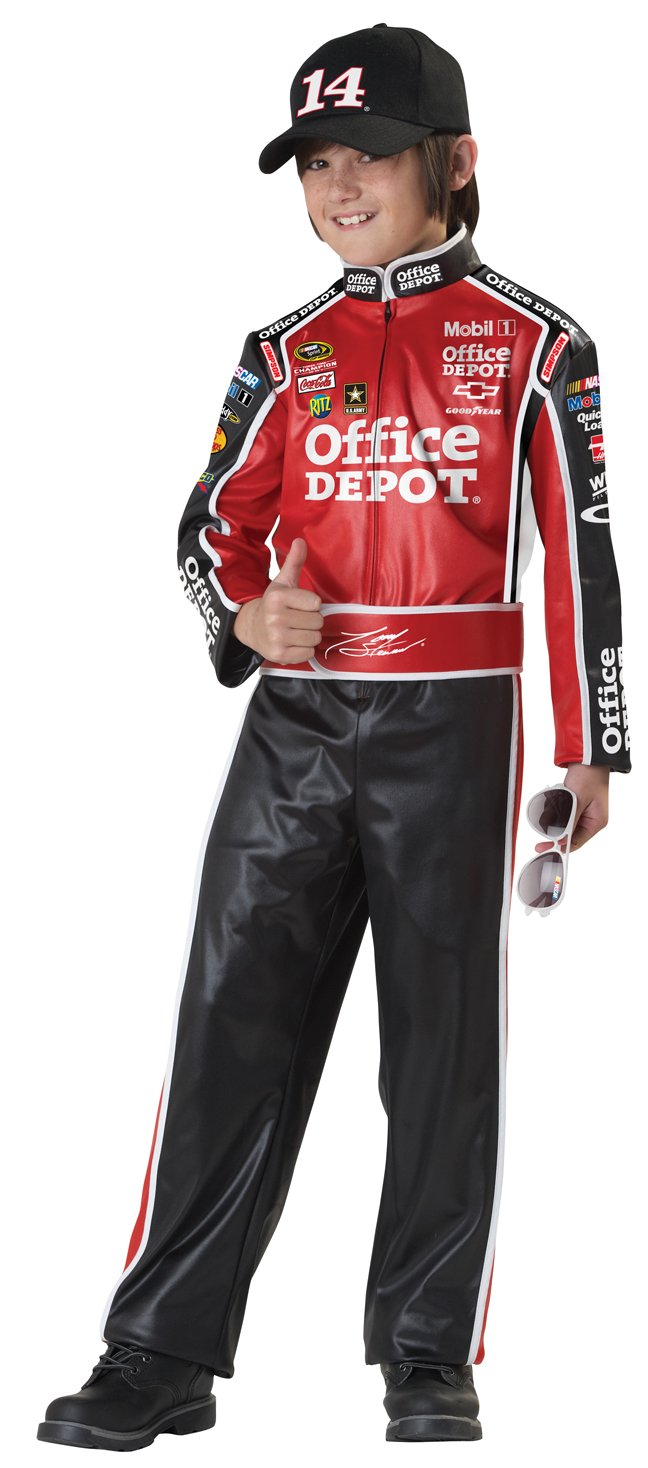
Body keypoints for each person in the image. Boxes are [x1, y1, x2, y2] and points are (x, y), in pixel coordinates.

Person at [37, 21, 632, 1450]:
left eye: (368, 154)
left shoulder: (539, 345)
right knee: (227, 1021)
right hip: (294, 729)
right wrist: (248, 617)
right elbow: (206, 529)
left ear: (456, 162)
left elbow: (582, 550)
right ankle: (158, 1352)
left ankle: (427, 1355)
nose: (340, 184)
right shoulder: (280, 352)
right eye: (314, 162)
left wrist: (592, 743)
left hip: (457, 729)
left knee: (440, 1043)